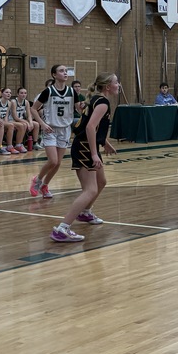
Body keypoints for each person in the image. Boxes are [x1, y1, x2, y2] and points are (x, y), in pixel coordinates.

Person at [51, 72, 120, 242]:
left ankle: (85, 212)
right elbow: (90, 127)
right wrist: (94, 153)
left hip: (87, 145)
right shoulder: (102, 102)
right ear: (107, 86)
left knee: (101, 181)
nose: (119, 85)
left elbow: (94, 127)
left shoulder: (97, 99)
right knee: (91, 189)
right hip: (85, 147)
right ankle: (62, 229)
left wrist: (104, 143)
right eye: (116, 82)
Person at [31, 64, 80, 198]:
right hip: (50, 129)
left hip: (65, 129)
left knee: (58, 162)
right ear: (54, 75)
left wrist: (87, 106)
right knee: (52, 161)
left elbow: (80, 109)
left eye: (66, 71)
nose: (65, 73)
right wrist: (42, 124)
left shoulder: (72, 92)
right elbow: (33, 109)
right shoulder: (48, 91)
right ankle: (37, 180)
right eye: (61, 71)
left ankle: (45, 185)